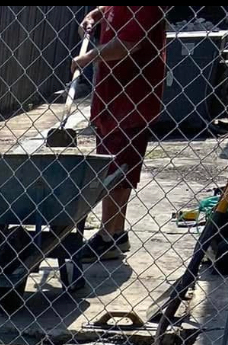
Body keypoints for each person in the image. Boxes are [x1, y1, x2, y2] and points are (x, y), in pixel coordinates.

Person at [73, 5, 168, 262]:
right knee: (112, 167)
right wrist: (94, 16)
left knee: (117, 169)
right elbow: (108, 10)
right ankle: (116, 232)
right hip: (111, 98)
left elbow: (128, 44)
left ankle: (107, 235)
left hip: (130, 100)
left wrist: (88, 57)